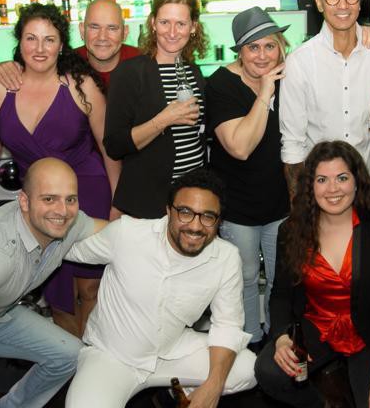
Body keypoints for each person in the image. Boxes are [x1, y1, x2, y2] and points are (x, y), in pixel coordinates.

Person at [0, 3, 120, 338]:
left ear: (61, 45)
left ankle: (93, 352)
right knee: (56, 289)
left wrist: (117, 202)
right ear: (20, 42)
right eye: (31, 38)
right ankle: (70, 357)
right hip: (39, 201)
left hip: (86, 190)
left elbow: (108, 149)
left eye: (49, 39)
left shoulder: (81, 86)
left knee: (90, 287)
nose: (40, 48)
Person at [64, 169, 256, 407]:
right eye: (185, 212)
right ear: (168, 211)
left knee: (246, 369)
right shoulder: (127, 234)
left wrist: (213, 386)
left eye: (208, 216)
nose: (196, 226)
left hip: (170, 352)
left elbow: (228, 324)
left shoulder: (226, 257)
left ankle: (171, 397)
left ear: (218, 220)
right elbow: (69, 248)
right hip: (111, 357)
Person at [255, 141, 370, 408]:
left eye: (342, 178)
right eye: (322, 180)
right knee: (269, 371)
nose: (333, 188)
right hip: (317, 325)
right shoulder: (292, 231)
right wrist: (281, 338)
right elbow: (280, 295)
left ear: (357, 181)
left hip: (368, 331)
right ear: (310, 186)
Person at [0, 158, 107, 408]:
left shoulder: (69, 222)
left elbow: (115, 232)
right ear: (24, 201)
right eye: (49, 199)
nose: (62, 210)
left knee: (69, 354)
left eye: (70, 199)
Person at [205, 6, 290, 351]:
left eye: (270, 46)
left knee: (281, 278)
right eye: (253, 47)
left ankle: (276, 339)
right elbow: (239, 147)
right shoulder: (220, 85)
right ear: (239, 51)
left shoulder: (290, 79)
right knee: (244, 277)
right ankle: (249, 342)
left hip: (281, 201)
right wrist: (266, 92)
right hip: (238, 204)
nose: (263, 55)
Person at [279, 0, 370, 199]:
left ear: (360, 3)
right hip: (321, 190)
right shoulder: (300, 61)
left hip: (365, 185)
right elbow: (293, 144)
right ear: (319, 3)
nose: (343, 5)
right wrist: (299, 204)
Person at [103, 0, 208, 219]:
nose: (172, 32)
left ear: (193, 27)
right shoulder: (130, 73)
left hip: (192, 200)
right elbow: (115, 144)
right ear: (152, 23)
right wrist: (164, 119)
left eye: (181, 24)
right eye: (164, 22)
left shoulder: (194, 71)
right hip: (150, 202)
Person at [0, 0, 141, 90]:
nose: (102, 37)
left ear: (125, 33)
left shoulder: (144, 63)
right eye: (94, 27)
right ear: (82, 30)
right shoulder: (65, 62)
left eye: (112, 28)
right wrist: (5, 67)